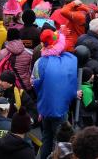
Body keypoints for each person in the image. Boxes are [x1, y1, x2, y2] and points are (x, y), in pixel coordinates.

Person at [34, 30, 77, 159]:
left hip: (44, 107)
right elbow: (69, 84)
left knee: (46, 137)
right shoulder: (67, 61)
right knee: (61, 142)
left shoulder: (39, 62)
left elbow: (35, 84)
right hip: (60, 108)